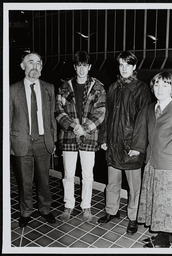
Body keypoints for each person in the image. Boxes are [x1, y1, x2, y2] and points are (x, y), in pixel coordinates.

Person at [97, 51, 152, 235]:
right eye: (121, 65)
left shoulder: (141, 88)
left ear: (134, 67)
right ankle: (111, 211)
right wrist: (103, 139)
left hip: (131, 146)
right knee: (112, 183)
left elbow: (143, 118)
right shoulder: (112, 88)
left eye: (128, 64)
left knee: (134, 187)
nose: (124, 68)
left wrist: (137, 146)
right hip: (113, 143)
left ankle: (133, 218)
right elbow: (107, 116)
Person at [55, 51, 106, 222]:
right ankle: (68, 205)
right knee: (68, 174)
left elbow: (101, 113)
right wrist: (73, 126)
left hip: (89, 137)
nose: (82, 69)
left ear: (89, 67)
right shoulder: (64, 87)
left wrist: (84, 128)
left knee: (87, 174)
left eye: (85, 65)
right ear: (75, 67)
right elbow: (58, 111)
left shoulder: (98, 86)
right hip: (69, 136)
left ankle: (86, 207)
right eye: (79, 65)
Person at [10, 52, 57, 227]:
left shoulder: (49, 88)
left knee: (44, 179)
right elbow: (7, 118)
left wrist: (53, 140)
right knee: (25, 181)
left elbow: (52, 117)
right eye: (31, 62)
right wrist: (8, 145)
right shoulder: (12, 90)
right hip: (22, 142)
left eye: (38, 63)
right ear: (23, 66)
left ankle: (45, 209)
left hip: (43, 142)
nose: (35, 66)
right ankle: (25, 211)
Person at [137, 72, 172, 248]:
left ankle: (163, 240)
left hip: (171, 166)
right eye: (156, 85)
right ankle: (159, 235)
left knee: (166, 204)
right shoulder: (150, 109)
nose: (160, 89)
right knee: (157, 201)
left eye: (164, 85)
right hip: (152, 162)